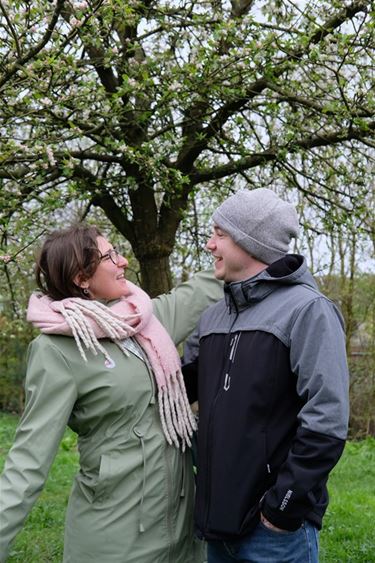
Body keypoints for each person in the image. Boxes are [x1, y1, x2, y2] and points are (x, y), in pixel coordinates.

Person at [0, 224, 223, 563]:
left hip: (181, 534)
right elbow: (28, 460)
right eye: (110, 256)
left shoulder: (143, 320)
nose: (123, 262)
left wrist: (244, 241)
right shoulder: (56, 351)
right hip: (116, 539)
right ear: (81, 277)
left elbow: (202, 290)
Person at [182, 188, 349, 563]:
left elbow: (328, 422)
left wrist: (281, 509)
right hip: (216, 525)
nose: (210, 244)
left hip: (273, 533)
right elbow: (174, 386)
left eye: (219, 234)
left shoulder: (308, 311)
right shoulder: (214, 317)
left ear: (249, 242)